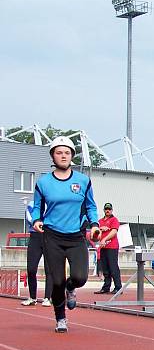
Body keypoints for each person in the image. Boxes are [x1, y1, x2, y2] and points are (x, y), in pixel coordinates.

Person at [31, 136, 100, 333]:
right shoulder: (43, 183)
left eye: (67, 153)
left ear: (72, 156)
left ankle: (72, 288)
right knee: (57, 280)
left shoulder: (83, 181)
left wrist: (94, 224)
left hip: (76, 236)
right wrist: (36, 221)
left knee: (79, 277)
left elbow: (90, 206)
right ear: (53, 156)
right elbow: (37, 208)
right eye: (59, 152)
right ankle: (60, 318)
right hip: (52, 236)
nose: (63, 156)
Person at [20, 199, 53, 307]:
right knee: (31, 269)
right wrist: (38, 223)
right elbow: (29, 217)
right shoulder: (31, 204)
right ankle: (32, 298)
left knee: (49, 269)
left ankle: (47, 298)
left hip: (49, 236)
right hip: (35, 236)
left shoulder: (51, 202)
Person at [94, 202, 122, 294]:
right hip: (103, 247)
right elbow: (96, 234)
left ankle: (118, 287)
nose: (107, 211)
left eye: (109, 209)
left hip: (112, 247)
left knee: (113, 267)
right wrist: (100, 230)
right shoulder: (100, 221)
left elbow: (114, 232)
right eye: (106, 209)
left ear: (112, 210)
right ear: (104, 210)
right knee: (105, 268)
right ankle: (106, 287)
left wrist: (105, 238)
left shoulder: (114, 220)